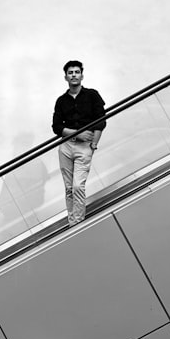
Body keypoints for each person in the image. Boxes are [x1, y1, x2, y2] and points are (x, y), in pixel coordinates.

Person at [51, 60, 106, 226]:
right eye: (70, 73)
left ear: (82, 75)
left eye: (76, 72)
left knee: (77, 187)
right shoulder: (61, 100)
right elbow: (57, 127)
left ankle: (77, 224)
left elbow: (101, 120)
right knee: (68, 189)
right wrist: (77, 134)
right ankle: (72, 222)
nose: (74, 75)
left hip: (84, 148)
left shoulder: (92, 95)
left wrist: (93, 144)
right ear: (65, 77)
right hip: (66, 147)